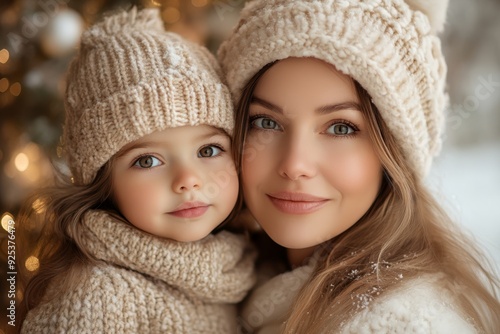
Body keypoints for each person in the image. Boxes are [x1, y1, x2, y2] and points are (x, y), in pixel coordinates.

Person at [218, 0, 500, 332]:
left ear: (394, 153)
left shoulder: (398, 323)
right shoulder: (236, 278)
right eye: (265, 122)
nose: (295, 165)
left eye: (341, 128)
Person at [17, 7, 255, 333]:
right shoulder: (98, 299)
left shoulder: (240, 267)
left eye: (208, 150)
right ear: (104, 182)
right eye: (147, 161)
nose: (188, 180)